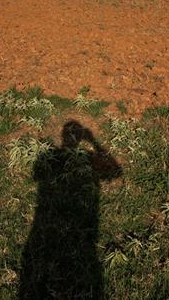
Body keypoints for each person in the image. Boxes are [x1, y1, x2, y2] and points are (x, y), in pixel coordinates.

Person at [19, 120, 122, 299]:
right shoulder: (76, 157)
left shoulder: (52, 156)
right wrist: (95, 143)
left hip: (47, 219)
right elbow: (116, 172)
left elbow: (36, 176)